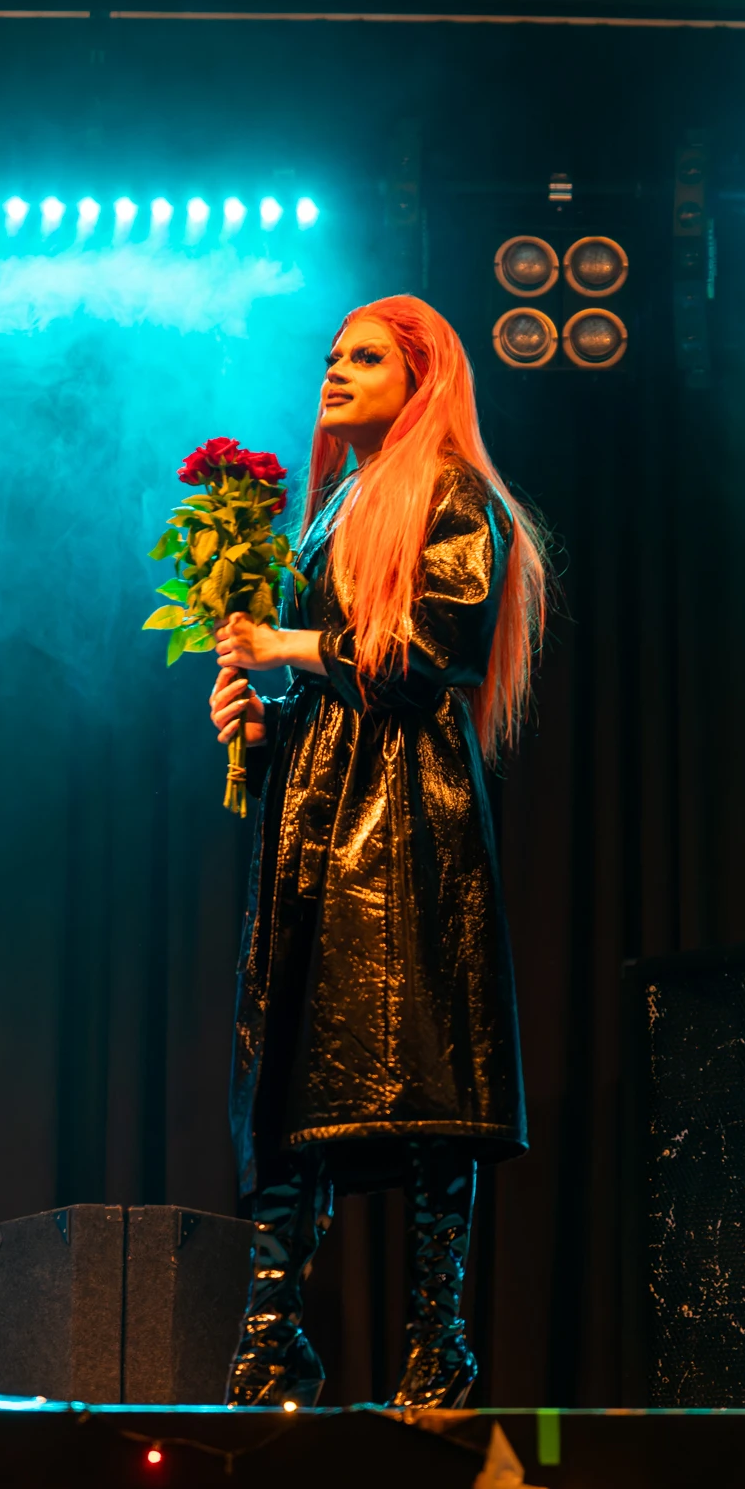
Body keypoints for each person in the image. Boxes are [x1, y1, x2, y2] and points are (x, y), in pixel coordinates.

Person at [210, 294, 549, 1409]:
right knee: (295, 1065)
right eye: (331, 354)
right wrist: (262, 725)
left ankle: (436, 1338)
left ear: (420, 376)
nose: (335, 371)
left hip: (407, 816)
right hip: (317, 807)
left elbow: (423, 653)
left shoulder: (453, 493)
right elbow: (335, 677)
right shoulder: (332, 507)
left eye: (365, 357)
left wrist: (286, 643)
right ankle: (272, 1331)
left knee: (422, 1074)